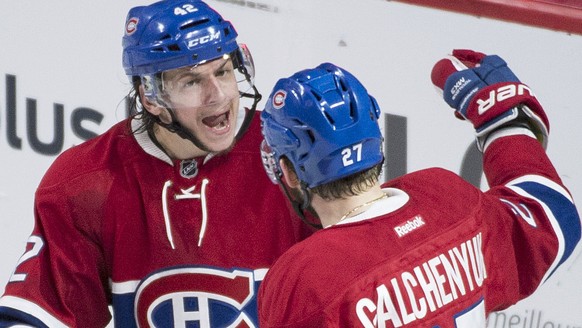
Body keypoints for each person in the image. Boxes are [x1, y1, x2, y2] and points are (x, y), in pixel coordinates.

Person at [0, 1, 311, 327]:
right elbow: (41, 313)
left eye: (222, 71)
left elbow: (357, 280)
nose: (217, 95)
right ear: (150, 98)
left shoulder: (295, 154)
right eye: (192, 81)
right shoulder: (87, 180)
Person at [257, 56, 581, 327]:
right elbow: (553, 218)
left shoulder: (308, 277)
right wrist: (504, 124)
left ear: (290, 173)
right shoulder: (446, 199)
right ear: (376, 141)